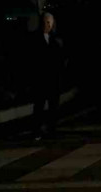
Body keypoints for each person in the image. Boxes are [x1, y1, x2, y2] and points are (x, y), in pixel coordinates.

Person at [32, 12, 66, 140]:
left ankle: (52, 130)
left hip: (54, 79)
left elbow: (61, 58)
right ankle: (37, 130)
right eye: (46, 22)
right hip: (40, 79)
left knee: (53, 107)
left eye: (50, 22)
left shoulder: (56, 38)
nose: (48, 25)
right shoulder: (35, 38)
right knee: (39, 106)